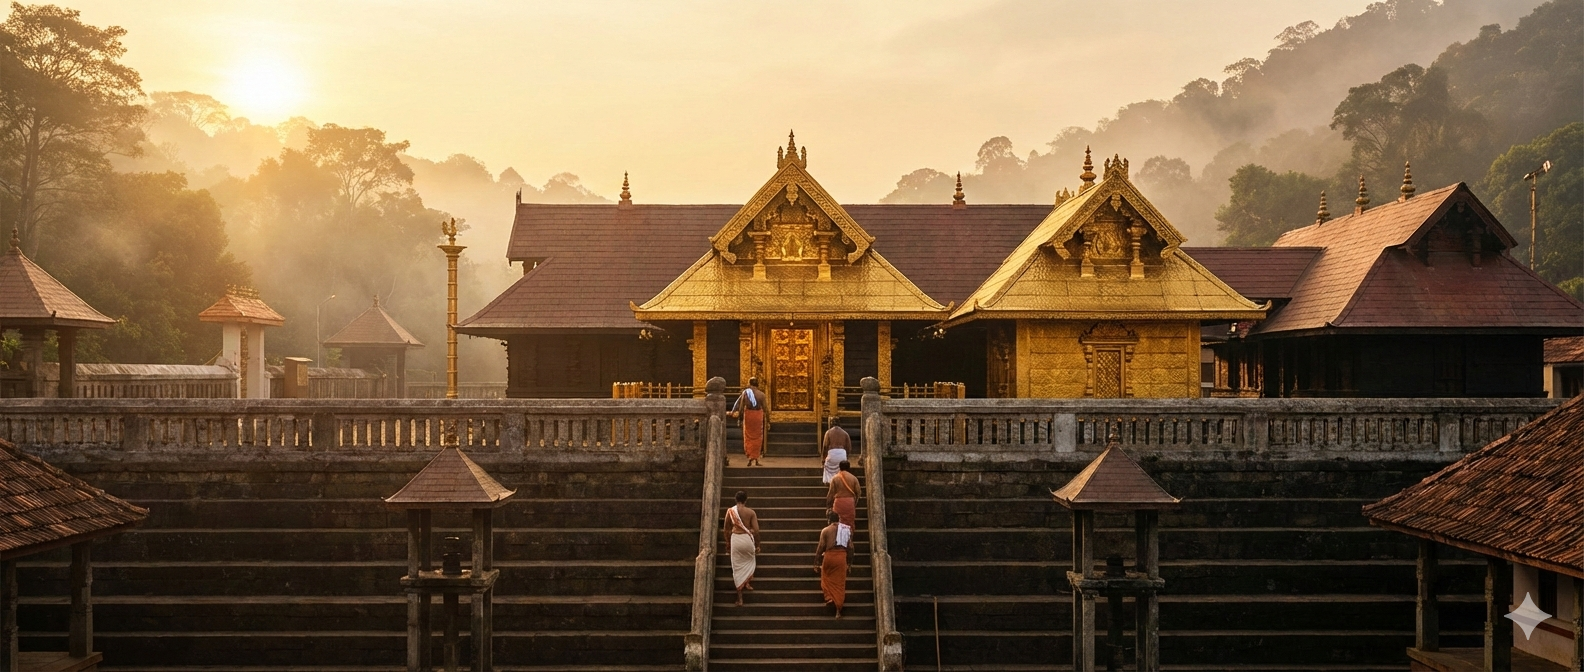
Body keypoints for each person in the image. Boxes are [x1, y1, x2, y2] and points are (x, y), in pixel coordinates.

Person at [723, 490, 760, 606]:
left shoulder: (730, 512)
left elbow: (726, 530)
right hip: (747, 540)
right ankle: (747, 583)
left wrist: (728, 543)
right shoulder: (751, 512)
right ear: (746, 500)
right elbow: (757, 530)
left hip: (736, 540)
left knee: (737, 569)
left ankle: (740, 599)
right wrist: (757, 544)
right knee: (750, 561)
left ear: (736, 500)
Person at [815, 510, 851, 618]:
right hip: (841, 557)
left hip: (829, 556)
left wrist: (816, 562)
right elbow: (851, 547)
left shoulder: (826, 530)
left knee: (825, 578)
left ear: (829, 520)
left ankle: (830, 597)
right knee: (839, 584)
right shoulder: (845, 530)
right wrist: (850, 563)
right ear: (839, 519)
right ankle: (838, 611)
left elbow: (820, 547)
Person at [730, 377, 767, 466]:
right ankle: (756, 459)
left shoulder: (745, 393)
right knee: (758, 437)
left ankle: (750, 458)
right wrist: (768, 421)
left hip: (749, 415)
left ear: (750, 384)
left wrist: (739, 418)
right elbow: (766, 409)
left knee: (748, 437)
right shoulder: (761, 395)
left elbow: (741, 406)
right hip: (758, 416)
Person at [826, 459, 861, 527]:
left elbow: (830, 494)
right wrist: (854, 502)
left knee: (837, 524)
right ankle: (849, 537)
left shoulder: (835, 478)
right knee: (849, 524)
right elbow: (858, 492)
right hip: (850, 502)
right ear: (849, 468)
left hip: (838, 502)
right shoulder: (853, 478)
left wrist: (828, 505)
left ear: (839, 467)